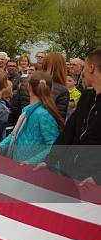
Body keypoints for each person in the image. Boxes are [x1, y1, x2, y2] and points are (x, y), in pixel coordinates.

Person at [40, 47, 101, 184]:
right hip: (71, 173)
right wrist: (48, 161)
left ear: (91, 68)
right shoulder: (86, 97)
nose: (83, 73)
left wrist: (97, 178)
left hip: (92, 181)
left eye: (84, 67)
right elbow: (69, 131)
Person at [0, 71, 63, 164]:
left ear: (29, 87)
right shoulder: (27, 111)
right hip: (20, 163)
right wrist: (0, 147)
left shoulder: (44, 114)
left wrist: (31, 162)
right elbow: (14, 134)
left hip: (33, 170)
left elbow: (53, 147)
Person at [9, 52, 69, 126]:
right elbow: (59, 121)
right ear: (62, 68)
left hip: (24, 128)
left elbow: (14, 109)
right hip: (44, 132)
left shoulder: (26, 83)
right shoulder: (62, 91)